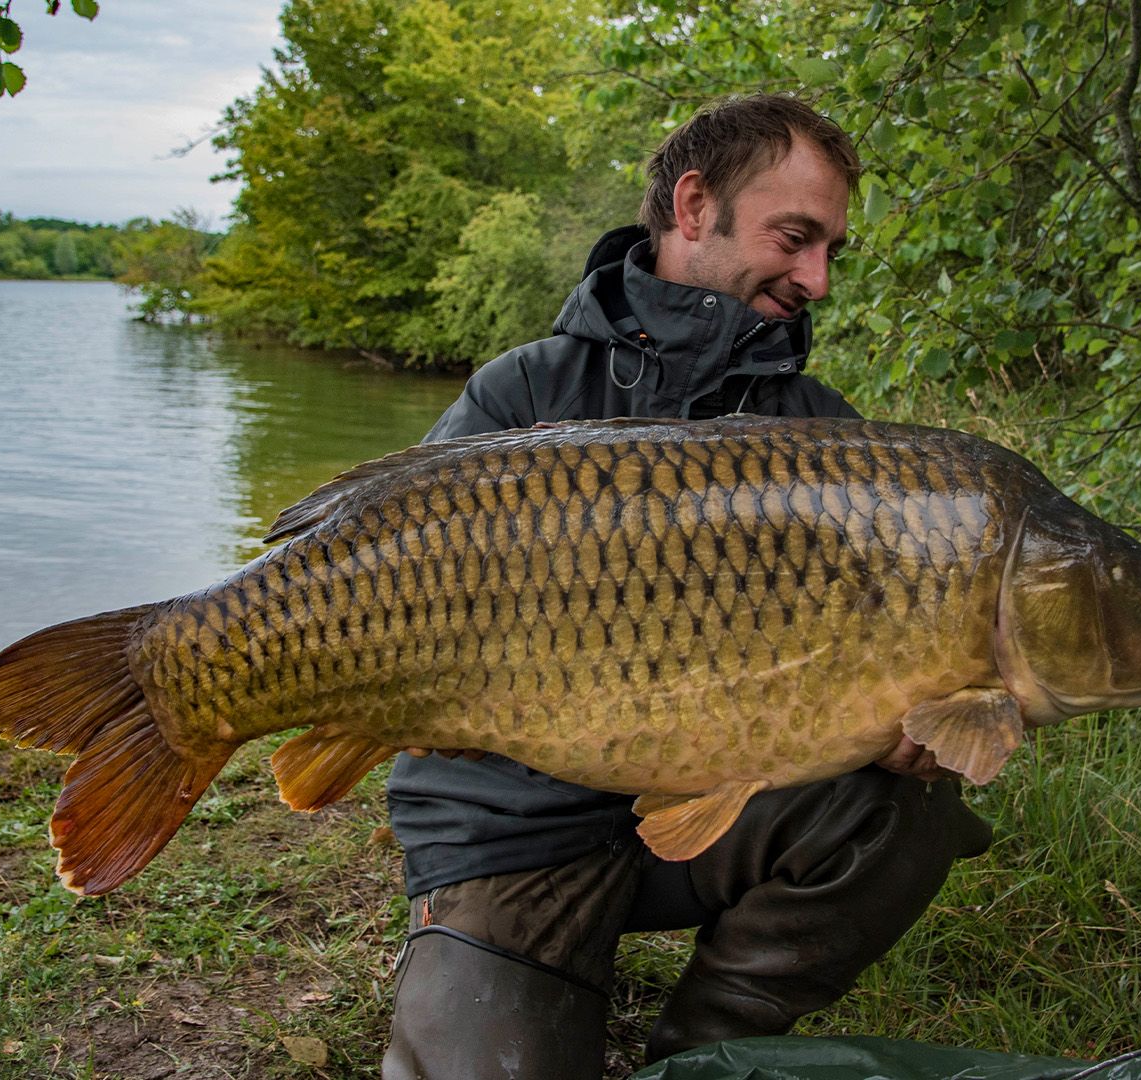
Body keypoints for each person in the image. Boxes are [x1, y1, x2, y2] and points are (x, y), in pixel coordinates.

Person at [380, 93, 994, 1079]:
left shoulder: (827, 439)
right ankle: (489, 957)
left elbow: (868, 651)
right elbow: (393, 611)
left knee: (907, 815)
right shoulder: (522, 395)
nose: (817, 279)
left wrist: (909, 722)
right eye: (795, 238)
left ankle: (707, 1057)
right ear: (695, 205)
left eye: (832, 249)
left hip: (716, 819)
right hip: (512, 838)